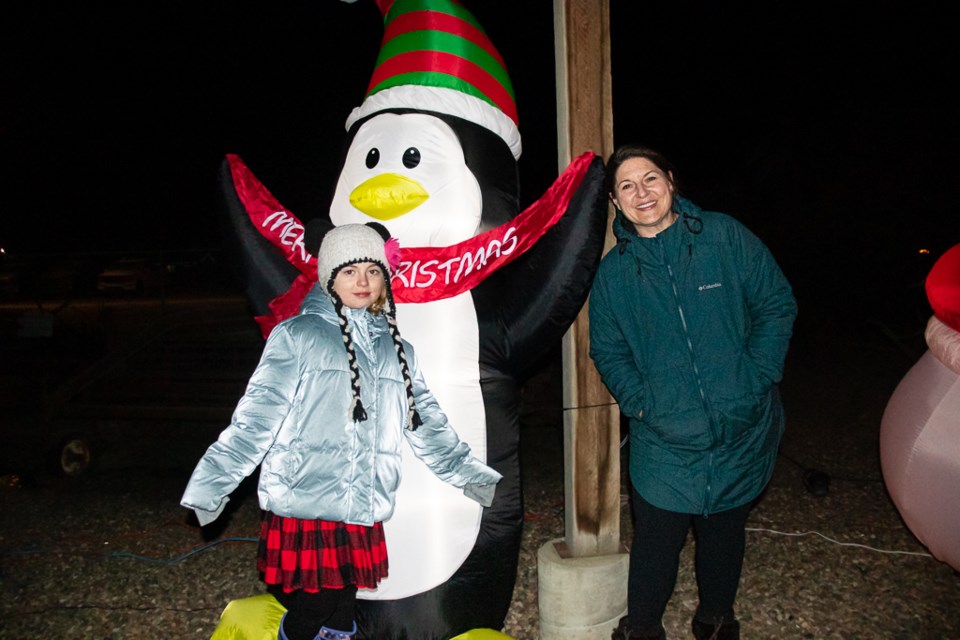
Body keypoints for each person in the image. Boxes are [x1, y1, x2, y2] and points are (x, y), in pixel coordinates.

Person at [181, 222, 502, 640]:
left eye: (372, 270)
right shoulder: (297, 336)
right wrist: (212, 485)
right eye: (349, 271)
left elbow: (427, 425)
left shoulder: (397, 351)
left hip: (362, 504)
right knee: (315, 604)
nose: (363, 281)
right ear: (330, 276)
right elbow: (255, 420)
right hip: (307, 504)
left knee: (343, 607)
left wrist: (471, 476)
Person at [589, 144, 797, 640]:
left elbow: (775, 303)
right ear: (617, 204)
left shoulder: (723, 237)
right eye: (627, 186)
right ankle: (641, 628)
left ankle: (715, 619)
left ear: (671, 182)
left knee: (724, 534)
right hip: (663, 434)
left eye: (650, 179)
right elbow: (609, 350)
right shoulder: (616, 274)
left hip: (740, 426)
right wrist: (641, 403)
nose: (642, 192)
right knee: (656, 543)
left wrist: (758, 374)